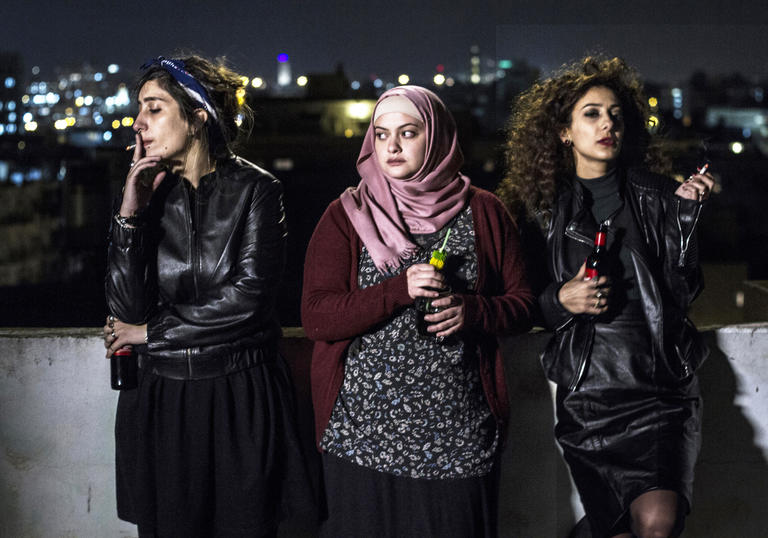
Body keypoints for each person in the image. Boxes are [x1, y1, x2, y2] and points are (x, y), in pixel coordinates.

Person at [301, 85, 534, 537]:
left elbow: (522, 305)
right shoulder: (346, 215)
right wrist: (396, 290)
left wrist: (474, 311)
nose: (391, 146)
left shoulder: (484, 211)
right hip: (362, 440)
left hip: (459, 436)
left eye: (408, 133)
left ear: (439, 138)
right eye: (382, 134)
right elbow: (317, 316)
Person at [498, 56, 714, 538]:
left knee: (658, 521)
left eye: (616, 113)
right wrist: (561, 300)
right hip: (590, 395)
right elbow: (516, 302)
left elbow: (684, 293)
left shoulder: (660, 196)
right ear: (563, 132)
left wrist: (685, 223)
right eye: (591, 113)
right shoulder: (539, 213)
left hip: (659, 386)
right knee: (614, 530)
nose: (607, 124)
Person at [103, 55, 312, 537]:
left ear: (197, 116)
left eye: (154, 108)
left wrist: (151, 332)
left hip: (240, 395)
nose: (139, 123)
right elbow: (126, 309)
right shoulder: (147, 194)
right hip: (165, 398)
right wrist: (130, 211)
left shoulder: (258, 190)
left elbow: (249, 299)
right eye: (139, 109)